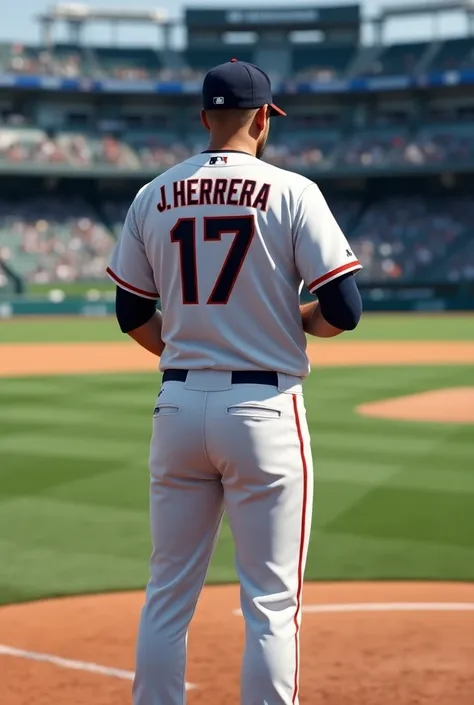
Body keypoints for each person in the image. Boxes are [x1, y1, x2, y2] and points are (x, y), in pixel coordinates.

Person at [107, 59, 362, 705]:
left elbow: (131, 312)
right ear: (261, 120)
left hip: (179, 403)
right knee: (272, 603)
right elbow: (344, 308)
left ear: (203, 118)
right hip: (264, 407)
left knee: (167, 594)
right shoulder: (294, 191)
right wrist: (291, 321)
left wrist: (195, 348)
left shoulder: (152, 193)